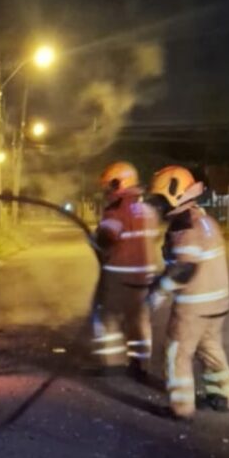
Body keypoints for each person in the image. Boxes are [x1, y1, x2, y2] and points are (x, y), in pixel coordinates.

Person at [147, 165, 229, 420]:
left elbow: (184, 269)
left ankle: (181, 408)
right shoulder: (204, 220)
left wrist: (156, 295)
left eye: (160, 200)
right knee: (210, 348)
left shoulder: (183, 227)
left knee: (177, 352)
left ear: (175, 194)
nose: (158, 206)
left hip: (194, 306)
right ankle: (222, 395)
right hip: (218, 303)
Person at [89, 161, 160, 377]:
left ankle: (112, 363)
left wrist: (93, 239)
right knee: (138, 322)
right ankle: (140, 365)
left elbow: (106, 240)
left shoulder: (116, 212)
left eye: (109, 186)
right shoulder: (149, 212)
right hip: (144, 280)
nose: (106, 191)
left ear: (118, 184)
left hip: (118, 280)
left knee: (105, 317)